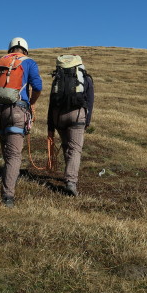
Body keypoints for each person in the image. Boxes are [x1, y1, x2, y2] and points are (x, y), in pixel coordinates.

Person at [0, 37, 42, 207]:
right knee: (14, 155)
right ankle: (8, 196)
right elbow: (37, 86)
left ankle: (7, 181)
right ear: (26, 49)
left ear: (10, 49)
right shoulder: (29, 62)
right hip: (17, 110)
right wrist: (32, 103)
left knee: (7, 152)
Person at [47, 54, 94, 197]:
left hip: (58, 117)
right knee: (75, 149)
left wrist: (50, 125)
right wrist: (87, 121)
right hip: (76, 115)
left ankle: (69, 176)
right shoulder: (85, 78)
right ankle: (71, 182)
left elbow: (51, 102)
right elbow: (90, 101)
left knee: (67, 146)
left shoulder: (58, 79)